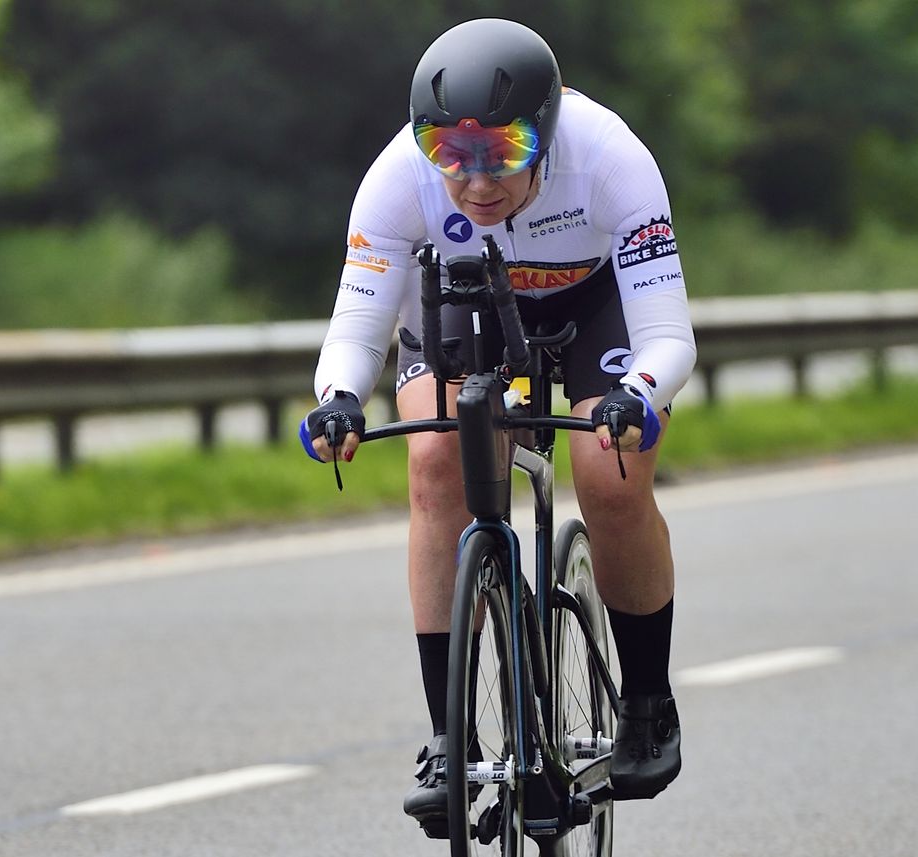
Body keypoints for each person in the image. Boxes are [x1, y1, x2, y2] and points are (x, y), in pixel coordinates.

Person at [299, 17, 697, 834]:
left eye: (503, 151)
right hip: (462, 303)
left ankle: (648, 701)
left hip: (592, 310)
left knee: (605, 470)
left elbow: (667, 334)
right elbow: (359, 322)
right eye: (451, 154)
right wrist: (340, 395)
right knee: (436, 459)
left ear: (547, 133)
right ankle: (450, 735)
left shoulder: (610, 156)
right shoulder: (393, 179)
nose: (476, 180)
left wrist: (640, 396)